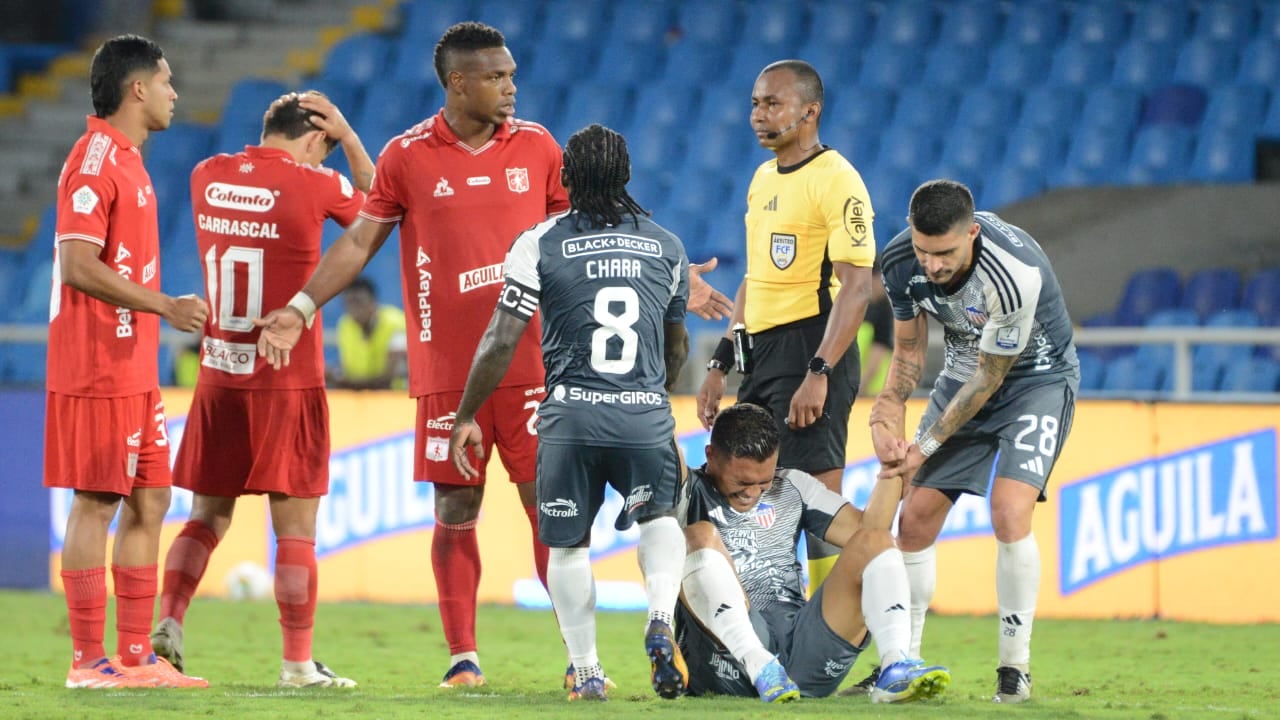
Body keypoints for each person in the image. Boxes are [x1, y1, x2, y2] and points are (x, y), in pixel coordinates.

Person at [253, 21, 730, 688]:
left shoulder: (537, 147)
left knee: (552, 511)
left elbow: (601, 222)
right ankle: (462, 659)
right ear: (458, 83)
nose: (512, 86)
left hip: (539, 367)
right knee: (455, 511)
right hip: (449, 373)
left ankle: (577, 661)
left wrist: (686, 279)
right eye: (497, 76)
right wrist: (302, 307)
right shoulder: (407, 155)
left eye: (511, 74)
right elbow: (360, 242)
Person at [449, 123, 692, 702]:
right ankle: (660, 615)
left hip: (570, 417)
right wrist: (656, 398)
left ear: (565, 179)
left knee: (568, 545)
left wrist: (466, 415)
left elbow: (502, 340)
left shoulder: (539, 242)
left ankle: (585, 670)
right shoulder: (667, 245)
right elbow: (676, 344)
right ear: (627, 177)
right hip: (643, 414)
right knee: (660, 519)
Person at [147, 90, 373, 687]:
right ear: (314, 140)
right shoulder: (317, 183)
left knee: (206, 518)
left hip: (220, 375)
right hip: (287, 375)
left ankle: (168, 622)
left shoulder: (207, 175)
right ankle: (298, 664)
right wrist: (349, 137)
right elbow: (379, 213)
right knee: (295, 529)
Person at [871, 180, 1079, 704]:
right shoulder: (899, 261)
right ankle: (902, 666)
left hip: (1036, 381)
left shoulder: (1013, 276)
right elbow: (911, 347)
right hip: (962, 373)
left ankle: (1015, 669)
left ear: (973, 233)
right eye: (923, 250)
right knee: (913, 520)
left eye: (944, 253)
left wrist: (924, 446)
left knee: (1010, 512)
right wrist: (890, 403)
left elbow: (991, 379)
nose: (932, 265)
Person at [45, 33, 209, 689]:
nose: (174, 94)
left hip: (134, 367)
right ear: (137, 88)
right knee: (97, 502)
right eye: (167, 82)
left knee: (151, 500)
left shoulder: (129, 160)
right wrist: (165, 306)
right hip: (96, 366)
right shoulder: (93, 162)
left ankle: (137, 658)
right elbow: (77, 265)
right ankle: (88, 662)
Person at [697, 59, 875, 593]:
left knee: (818, 498)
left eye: (772, 104)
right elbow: (755, 279)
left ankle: (832, 639)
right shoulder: (762, 178)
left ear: (810, 111)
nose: (758, 114)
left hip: (811, 347)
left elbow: (858, 287)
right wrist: (719, 363)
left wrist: (820, 370)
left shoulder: (838, 180)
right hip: (762, 356)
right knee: (748, 487)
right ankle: (766, 620)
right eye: (755, 103)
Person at [676, 403, 950, 703]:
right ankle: (758, 663)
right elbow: (662, 446)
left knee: (877, 540)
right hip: (727, 663)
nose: (752, 493)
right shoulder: (687, 491)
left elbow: (869, 534)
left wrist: (890, 475)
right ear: (711, 456)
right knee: (696, 536)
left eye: (763, 483)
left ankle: (895, 667)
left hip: (800, 654)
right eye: (742, 482)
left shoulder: (794, 485)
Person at [328, 276, 407, 390]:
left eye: (359, 303)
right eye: (349, 303)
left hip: (394, 399)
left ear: (373, 301)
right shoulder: (345, 324)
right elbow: (347, 368)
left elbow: (388, 380)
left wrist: (344, 381)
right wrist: (335, 374)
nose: (354, 310)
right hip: (358, 400)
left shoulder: (396, 323)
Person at [858, 260, 893, 397]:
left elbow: (879, 349)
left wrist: (861, 385)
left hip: (873, 390)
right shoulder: (858, 306)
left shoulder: (882, 309)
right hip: (858, 386)